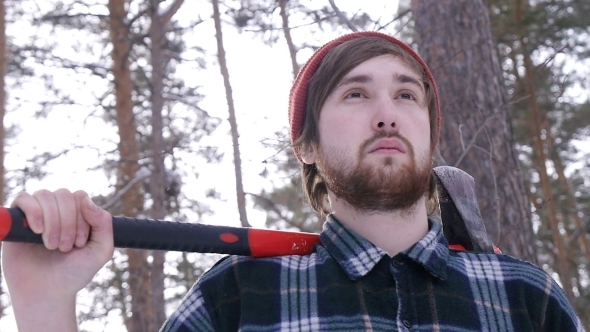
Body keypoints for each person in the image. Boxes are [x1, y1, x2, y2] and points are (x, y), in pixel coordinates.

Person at [1, 31, 583, 331]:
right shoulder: (239, 294)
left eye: (407, 95)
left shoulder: (526, 295)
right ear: (305, 146)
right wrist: (48, 309)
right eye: (356, 93)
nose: (387, 113)